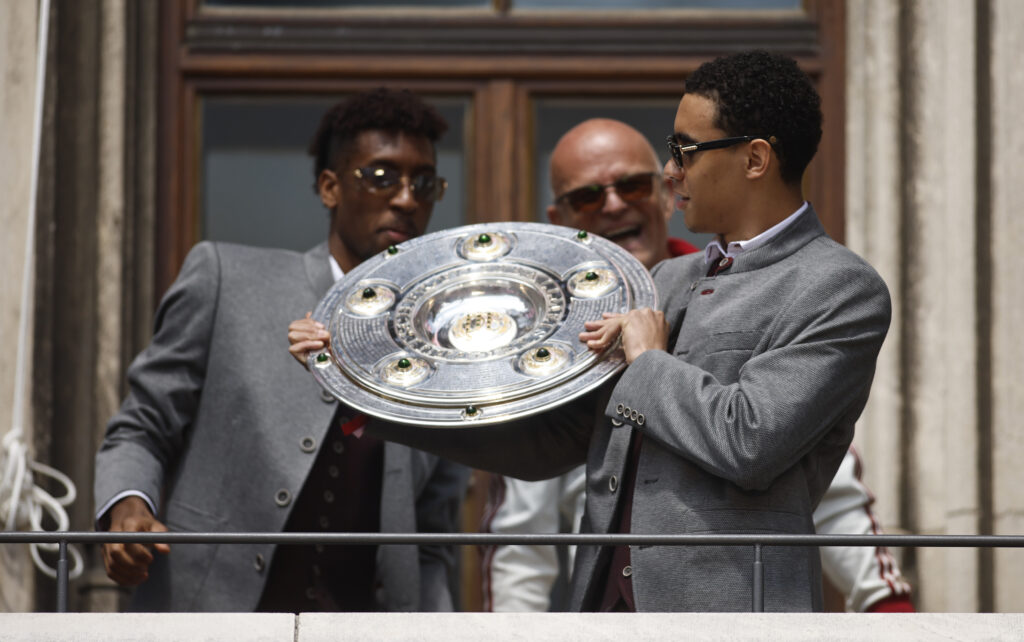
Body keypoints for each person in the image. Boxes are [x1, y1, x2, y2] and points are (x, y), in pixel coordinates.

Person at [292, 51, 892, 612]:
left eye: (685, 151)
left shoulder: (840, 288)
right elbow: (556, 441)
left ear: (755, 159)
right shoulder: (667, 278)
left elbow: (751, 443)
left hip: (728, 617)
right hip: (600, 610)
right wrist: (369, 394)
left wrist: (649, 361)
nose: (670, 170)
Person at [480, 118, 913, 613]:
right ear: (562, 220)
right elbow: (519, 537)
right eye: (587, 198)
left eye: (633, 185)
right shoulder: (552, 339)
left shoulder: (796, 289)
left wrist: (888, 608)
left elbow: (825, 487)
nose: (614, 205)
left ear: (666, 196)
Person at [94, 88, 469, 612]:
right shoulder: (228, 278)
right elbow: (141, 426)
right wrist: (129, 506)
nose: (406, 198)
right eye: (381, 176)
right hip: (213, 618)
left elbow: (431, 534)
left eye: (423, 182)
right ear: (330, 187)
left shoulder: (445, 349)